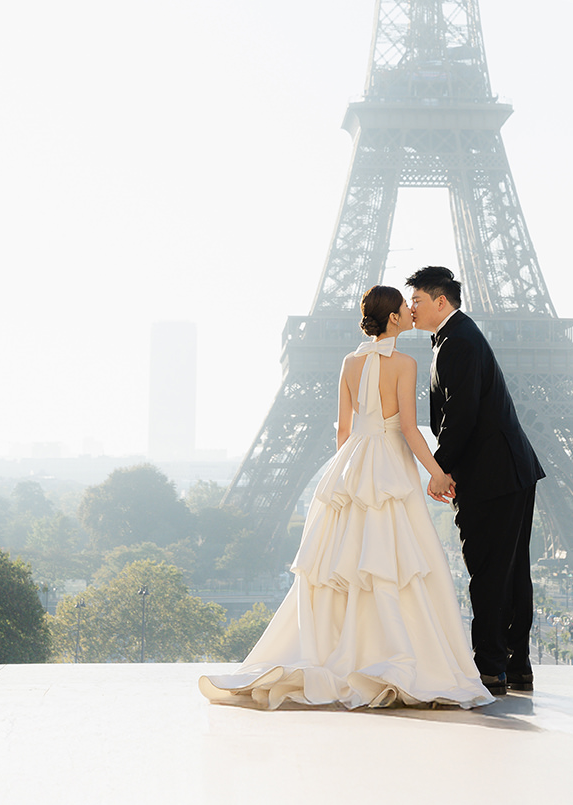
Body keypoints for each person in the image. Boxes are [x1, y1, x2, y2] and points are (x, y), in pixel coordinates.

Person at [198, 285, 492, 711]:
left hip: (354, 461)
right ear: (393, 319)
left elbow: (343, 429)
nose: (411, 313)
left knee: (344, 564)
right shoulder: (406, 363)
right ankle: (390, 652)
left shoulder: (349, 363)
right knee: (393, 563)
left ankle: (341, 650)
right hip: (389, 464)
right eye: (404, 311)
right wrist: (438, 473)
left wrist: (347, 474)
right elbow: (409, 430)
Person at [407, 264, 545, 698]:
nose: (411, 309)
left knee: (487, 572)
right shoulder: (456, 337)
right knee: (511, 572)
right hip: (510, 470)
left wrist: (439, 469)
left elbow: (460, 415)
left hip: (492, 476)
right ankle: (515, 664)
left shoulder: (458, 343)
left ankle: (489, 668)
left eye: (417, 301)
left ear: (440, 301)